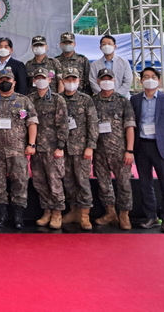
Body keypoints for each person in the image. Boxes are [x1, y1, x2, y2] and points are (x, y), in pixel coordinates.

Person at [0, 68, 38, 229]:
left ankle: (18, 216)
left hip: (18, 151)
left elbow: (32, 123)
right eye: (1, 80)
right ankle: (1, 215)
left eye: (8, 80)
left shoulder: (24, 101)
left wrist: (32, 144)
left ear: (14, 82)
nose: (5, 83)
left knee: (20, 183)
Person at [130, 67, 164, 234]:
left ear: (159, 81)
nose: (149, 79)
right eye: (145, 77)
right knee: (145, 184)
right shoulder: (135, 100)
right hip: (142, 146)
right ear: (140, 81)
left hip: (162, 148)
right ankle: (150, 216)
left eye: (153, 77)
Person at [92, 68, 136, 230]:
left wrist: (129, 150)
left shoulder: (123, 101)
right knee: (104, 184)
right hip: (99, 151)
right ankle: (110, 212)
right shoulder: (93, 101)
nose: (106, 81)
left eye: (109, 78)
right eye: (103, 78)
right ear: (98, 81)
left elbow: (130, 127)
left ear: (114, 80)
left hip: (120, 151)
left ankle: (124, 214)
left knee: (124, 184)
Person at [28, 68, 69, 230]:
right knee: (39, 181)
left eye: (43, 78)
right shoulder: (29, 99)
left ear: (50, 80)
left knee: (54, 181)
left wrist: (60, 147)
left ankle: (57, 211)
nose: (40, 80)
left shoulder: (58, 100)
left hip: (52, 149)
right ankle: (46, 210)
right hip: (36, 148)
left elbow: (63, 125)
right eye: (37, 77)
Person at [59, 67, 99, 231]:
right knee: (68, 182)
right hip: (63, 148)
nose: (70, 83)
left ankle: (84, 214)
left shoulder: (86, 100)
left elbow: (93, 124)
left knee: (82, 182)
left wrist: (90, 146)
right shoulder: (58, 99)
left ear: (79, 81)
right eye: (67, 80)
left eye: (73, 80)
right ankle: (73, 210)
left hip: (81, 148)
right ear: (62, 81)